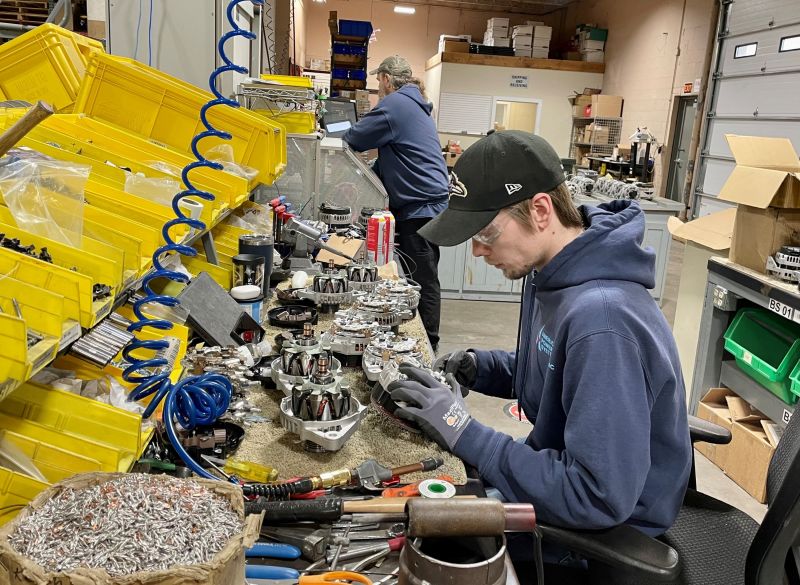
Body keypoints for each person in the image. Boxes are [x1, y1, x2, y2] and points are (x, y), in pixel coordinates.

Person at [387, 131, 692, 561]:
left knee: (434, 538)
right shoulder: (551, 272)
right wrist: (481, 366)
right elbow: (554, 368)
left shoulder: (603, 322)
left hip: (602, 533)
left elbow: (596, 496)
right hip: (561, 477)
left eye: (487, 232)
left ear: (541, 210)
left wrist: (465, 431)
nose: (476, 250)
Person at [342, 55, 448, 350]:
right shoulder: (414, 105)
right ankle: (420, 338)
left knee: (422, 280)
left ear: (387, 79)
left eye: (378, 81)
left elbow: (353, 138)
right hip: (427, 205)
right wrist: (365, 178)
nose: (378, 87)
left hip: (420, 209)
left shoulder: (395, 105)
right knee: (420, 275)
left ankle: (428, 347)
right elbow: (395, 156)